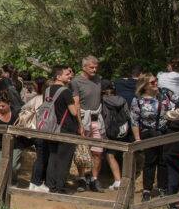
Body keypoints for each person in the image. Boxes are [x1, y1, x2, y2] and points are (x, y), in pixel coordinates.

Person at [131, 73, 176, 201]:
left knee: (163, 161)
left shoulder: (166, 93)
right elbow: (134, 120)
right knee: (150, 162)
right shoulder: (138, 100)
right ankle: (147, 190)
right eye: (152, 82)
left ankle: (163, 188)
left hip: (165, 131)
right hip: (148, 133)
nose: (156, 83)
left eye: (156, 80)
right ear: (144, 86)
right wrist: (137, 138)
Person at [70, 55, 104, 192]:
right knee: (82, 151)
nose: (94, 69)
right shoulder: (76, 82)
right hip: (84, 119)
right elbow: (76, 103)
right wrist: (79, 124)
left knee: (98, 152)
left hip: (97, 120)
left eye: (96, 67)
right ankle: (82, 178)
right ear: (84, 67)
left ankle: (94, 179)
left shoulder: (98, 80)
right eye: (91, 67)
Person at [44, 65, 80, 193]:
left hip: (51, 127)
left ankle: (51, 185)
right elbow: (74, 112)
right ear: (58, 76)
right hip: (66, 129)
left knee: (53, 156)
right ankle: (60, 186)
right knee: (64, 159)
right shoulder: (66, 92)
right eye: (67, 74)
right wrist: (76, 102)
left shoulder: (47, 90)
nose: (70, 76)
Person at [99, 79, 132, 191]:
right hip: (123, 131)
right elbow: (128, 115)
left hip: (110, 132)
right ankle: (128, 180)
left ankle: (118, 181)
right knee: (125, 154)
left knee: (110, 155)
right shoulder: (122, 99)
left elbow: (103, 116)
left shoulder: (102, 100)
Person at [24, 76, 50, 191]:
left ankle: (35, 183)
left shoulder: (35, 99)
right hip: (42, 131)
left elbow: (23, 108)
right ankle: (36, 182)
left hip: (36, 130)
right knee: (41, 158)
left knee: (41, 157)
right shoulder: (43, 99)